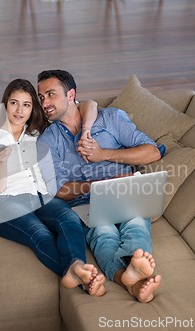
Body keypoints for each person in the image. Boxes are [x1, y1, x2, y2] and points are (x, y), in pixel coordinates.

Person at [36, 70, 166, 303]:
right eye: (41, 97)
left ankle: (130, 278)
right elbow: (59, 190)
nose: (44, 102)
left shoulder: (111, 119)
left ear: (70, 94)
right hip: (86, 201)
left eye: (50, 94)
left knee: (135, 224)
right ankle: (133, 281)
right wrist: (95, 186)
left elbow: (152, 152)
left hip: (126, 191)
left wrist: (103, 154)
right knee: (103, 232)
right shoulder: (47, 141)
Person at [0, 78, 106, 296]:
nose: (19, 110)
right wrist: (1, 161)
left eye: (26, 104)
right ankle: (82, 278)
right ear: (5, 103)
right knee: (40, 233)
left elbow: (87, 104)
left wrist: (87, 127)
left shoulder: (39, 135)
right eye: (14, 103)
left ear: (32, 108)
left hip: (43, 198)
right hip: (7, 203)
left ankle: (76, 269)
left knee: (70, 219)